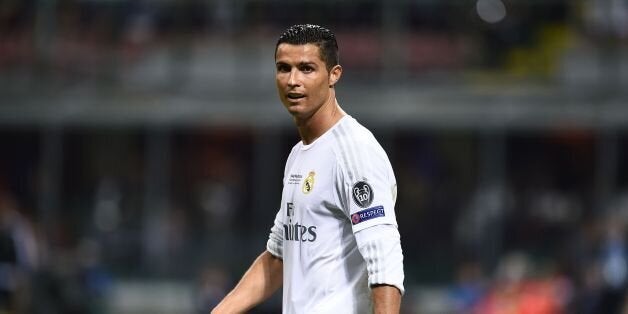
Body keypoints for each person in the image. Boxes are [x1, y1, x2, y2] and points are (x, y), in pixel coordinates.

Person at [211, 24, 405, 314]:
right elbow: (279, 255)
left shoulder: (354, 151)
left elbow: (385, 260)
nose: (293, 80)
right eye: (283, 68)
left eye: (306, 68)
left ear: (333, 75)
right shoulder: (299, 155)